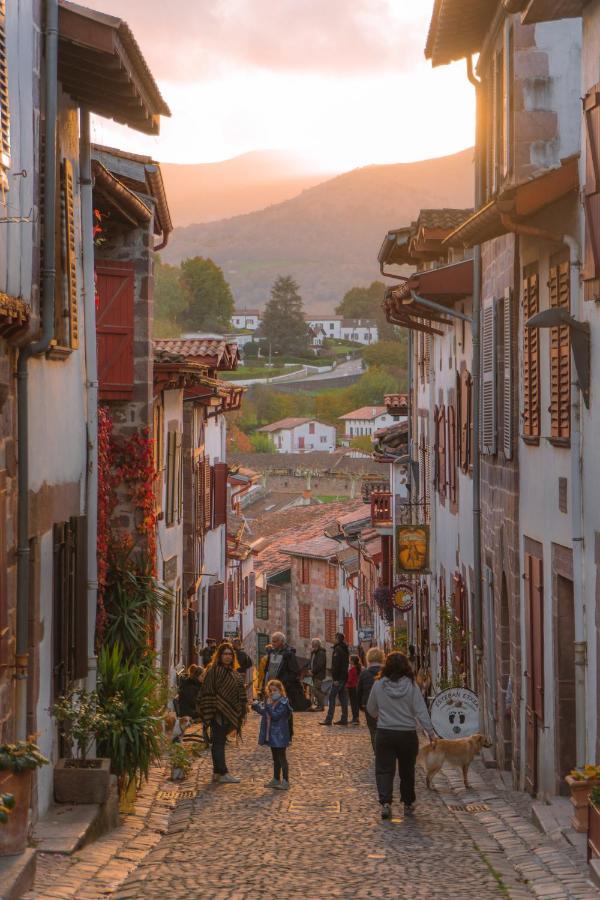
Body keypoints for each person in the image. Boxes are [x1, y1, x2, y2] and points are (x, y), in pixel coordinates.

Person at [367, 651, 436, 820]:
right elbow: (421, 711)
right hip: (407, 734)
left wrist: (380, 715)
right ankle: (407, 802)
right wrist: (431, 733)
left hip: (385, 733)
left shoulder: (378, 685)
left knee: (384, 769)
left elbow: (371, 708)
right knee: (407, 770)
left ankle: (385, 803)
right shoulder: (412, 686)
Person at [198, 641, 248, 784]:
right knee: (218, 742)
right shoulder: (214, 671)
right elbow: (207, 691)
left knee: (218, 742)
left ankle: (217, 773)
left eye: (230, 654)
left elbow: (240, 693)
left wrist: (242, 707)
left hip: (228, 713)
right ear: (219, 656)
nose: (227, 657)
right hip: (216, 713)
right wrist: (214, 708)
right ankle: (223, 772)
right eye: (224, 654)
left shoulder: (235, 674)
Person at [252, 679, 293, 790]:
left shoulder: (283, 702)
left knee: (282, 757)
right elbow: (266, 713)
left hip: (280, 735)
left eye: (274, 690)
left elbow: (275, 715)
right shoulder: (271, 701)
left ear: (280, 690)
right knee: (275, 758)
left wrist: (268, 706)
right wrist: (256, 707)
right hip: (271, 734)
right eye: (270, 690)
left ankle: (285, 780)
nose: (272, 692)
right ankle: (276, 779)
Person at [263, 632, 307, 711]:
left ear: (281, 641)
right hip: (272, 683)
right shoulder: (271, 652)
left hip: (284, 686)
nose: (273, 643)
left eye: (275, 641)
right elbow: (267, 668)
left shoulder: (289, 654)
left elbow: (294, 671)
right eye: (272, 641)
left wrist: (284, 681)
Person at [358, 647, 385, 751]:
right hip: (384, 704)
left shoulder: (364, 674)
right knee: (384, 728)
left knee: (373, 729)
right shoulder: (386, 672)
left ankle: (377, 750)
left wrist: (360, 704)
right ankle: (384, 750)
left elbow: (359, 690)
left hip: (368, 705)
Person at [320, 632, 350, 726]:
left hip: (339, 678)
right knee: (343, 698)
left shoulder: (338, 649)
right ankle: (344, 718)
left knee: (332, 697)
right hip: (344, 677)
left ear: (337, 639)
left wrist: (335, 678)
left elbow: (336, 665)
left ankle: (329, 719)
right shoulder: (345, 649)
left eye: (334, 638)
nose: (333, 640)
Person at [309, 638, 327, 711]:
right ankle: (319, 705)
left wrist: (312, 671)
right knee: (314, 690)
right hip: (314, 674)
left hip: (318, 675)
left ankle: (321, 706)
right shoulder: (314, 652)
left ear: (317, 644)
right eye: (312, 644)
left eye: (313, 644)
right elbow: (312, 662)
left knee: (317, 690)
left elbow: (320, 665)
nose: (312, 645)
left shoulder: (321, 653)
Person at [346, 655, 362, 725]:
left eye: (350, 659)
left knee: (353, 704)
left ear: (352, 661)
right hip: (354, 687)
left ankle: (355, 718)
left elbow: (350, 680)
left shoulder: (352, 669)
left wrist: (345, 681)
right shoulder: (357, 668)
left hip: (351, 687)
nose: (349, 660)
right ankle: (356, 718)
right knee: (355, 703)